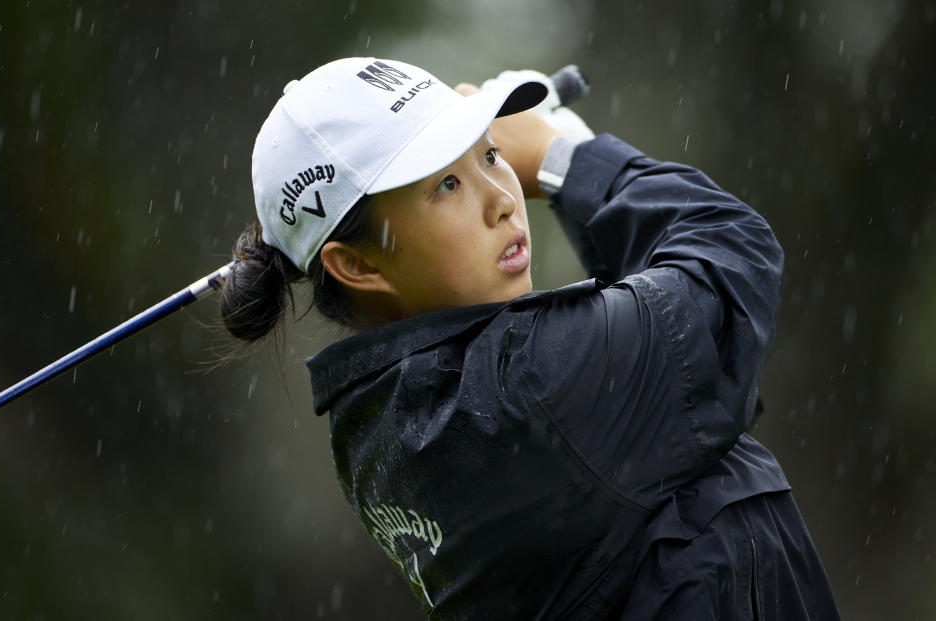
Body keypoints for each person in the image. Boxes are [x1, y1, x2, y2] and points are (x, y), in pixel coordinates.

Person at [220, 57, 841, 619]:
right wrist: (566, 159)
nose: (502, 200)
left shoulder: (385, 422)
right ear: (358, 266)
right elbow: (732, 255)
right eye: (446, 185)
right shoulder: (529, 387)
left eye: (490, 155)